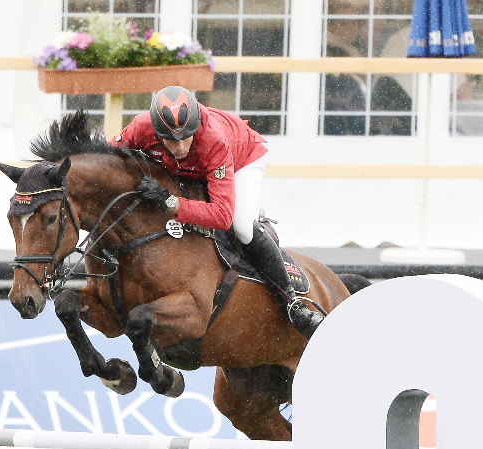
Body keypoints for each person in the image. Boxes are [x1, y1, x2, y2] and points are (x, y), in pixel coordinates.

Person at [110, 85, 324, 338]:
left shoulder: (214, 140)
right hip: (192, 169)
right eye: (171, 140)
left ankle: (292, 303)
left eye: (186, 137)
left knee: (242, 227)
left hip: (243, 159)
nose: (180, 147)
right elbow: (107, 158)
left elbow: (221, 216)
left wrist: (171, 203)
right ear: (156, 132)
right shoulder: (140, 127)